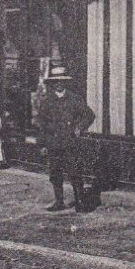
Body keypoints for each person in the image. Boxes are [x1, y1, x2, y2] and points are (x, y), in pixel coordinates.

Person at [37, 65, 95, 212]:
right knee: (55, 172)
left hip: (71, 142)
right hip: (54, 142)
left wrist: (79, 128)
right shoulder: (47, 101)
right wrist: (43, 144)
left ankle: (80, 202)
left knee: (74, 171)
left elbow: (89, 115)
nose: (59, 83)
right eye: (56, 81)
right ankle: (59, 201)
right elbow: (42, 124)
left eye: (61, 81)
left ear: (65, 82)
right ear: (52, 83)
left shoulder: (74, 99)